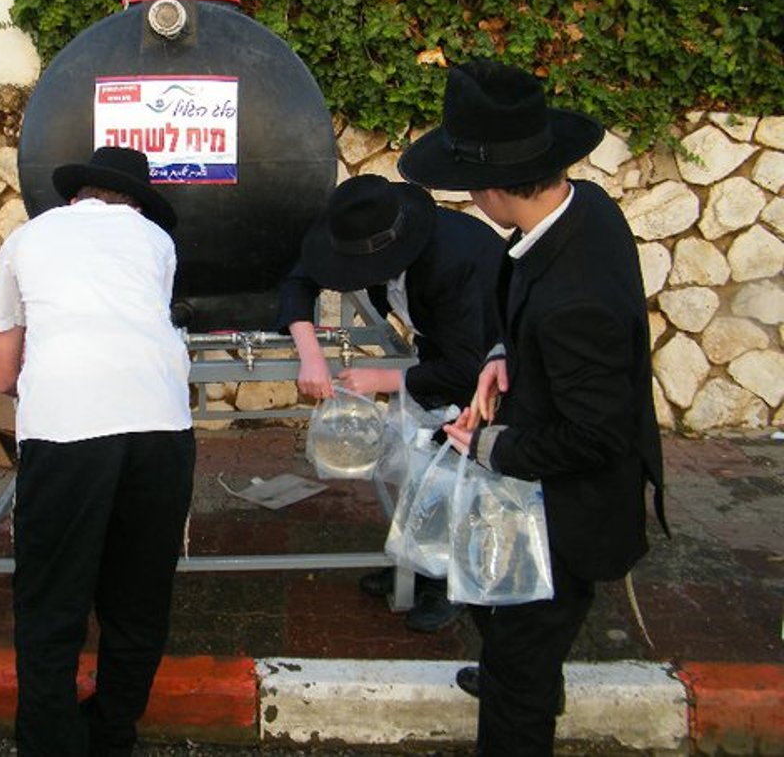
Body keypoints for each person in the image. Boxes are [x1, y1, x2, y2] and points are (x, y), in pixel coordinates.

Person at [399, 59, 668, 756]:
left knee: (515, 691)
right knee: (505, 631)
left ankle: (525, 692)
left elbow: (596, 434)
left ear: (489, 192)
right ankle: (527, 677)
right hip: (546, 493)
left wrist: (486, 449)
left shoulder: (575, 301)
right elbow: (529, 310)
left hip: (572, 517)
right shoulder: (584, 210)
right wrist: (500, 358)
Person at [0, 146, 196, 757]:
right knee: (137, 597)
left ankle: (51, 743)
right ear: (135, 200)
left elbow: (3, 374)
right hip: (159, 425)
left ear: (76, 196)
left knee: (52, 601)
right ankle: (111, 733)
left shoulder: (29, 237)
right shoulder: (157, 242)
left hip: (67, 429)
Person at [277, 173, 504, 632]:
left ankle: (453, 581)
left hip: (487, 370)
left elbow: (466, 368)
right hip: (439, 353)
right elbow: (298, 282)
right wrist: (311, 357)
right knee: (417, 464)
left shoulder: (453, 262)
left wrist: (381, 377)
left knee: (455, 471)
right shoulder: (356, 229)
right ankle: (416, 564)